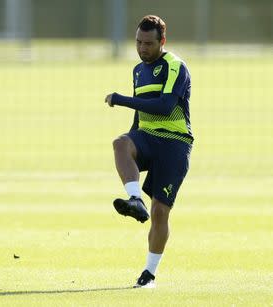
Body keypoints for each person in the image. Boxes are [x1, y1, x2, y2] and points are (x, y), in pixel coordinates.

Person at [104, 15, 193, 288]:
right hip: (147, 136)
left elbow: (166, 106)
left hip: (174, 144)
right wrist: (133, 137)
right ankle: (134, 200)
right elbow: (141, 112)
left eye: (148, 43)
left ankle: (149, 274)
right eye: (138, 42)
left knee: (160, 212)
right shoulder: (138, 71)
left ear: (162, 41)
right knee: (120, 143)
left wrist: (120, 99)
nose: (142, 48)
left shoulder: (175, 66)